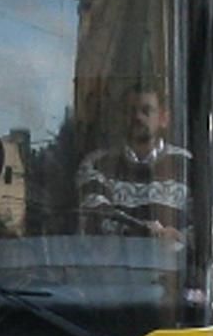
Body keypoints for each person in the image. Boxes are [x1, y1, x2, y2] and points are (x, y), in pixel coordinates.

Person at [76, 83, 191, 243]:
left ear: (163, 118)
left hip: (173, 265)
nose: (137, 117)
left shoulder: (189, 165)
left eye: (146, 111)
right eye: (130, 111)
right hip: (114, 265)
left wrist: (180, 237)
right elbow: (94, 217)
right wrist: (141, 231)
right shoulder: (96, 164)